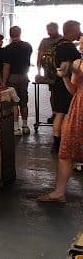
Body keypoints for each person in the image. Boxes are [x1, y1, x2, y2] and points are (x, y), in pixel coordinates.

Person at [37, 21, 83, 203]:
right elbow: (73, 89)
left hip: (78, 109)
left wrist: (72, 68)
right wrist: (64, 76)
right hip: (78, 108)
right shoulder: (76, 60)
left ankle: (59, 193)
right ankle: (58, 192)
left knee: (67, 152)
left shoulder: (78, 63)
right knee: (66, 152)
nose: (80, 43)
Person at [44, 20, 82, 153]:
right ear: (72, 31)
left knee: (59, 112)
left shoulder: (58, 45)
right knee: (67, 113)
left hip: (57, 82)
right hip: (68, 84)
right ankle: (64, 142)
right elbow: (76, 67)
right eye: (78, 30)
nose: (80, 32)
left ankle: (56, 142)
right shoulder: (69, 48)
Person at [2, 26, 33, 135]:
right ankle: (25, 126)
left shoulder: (7, 49)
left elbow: (6, 67)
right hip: (24, 76)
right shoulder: (27, 46)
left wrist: (4, 82)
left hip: (12, 77)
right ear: (20, 33)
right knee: (24, 102)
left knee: (14, 103)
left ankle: (16, 128)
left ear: (10, 34)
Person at [38, 22, 65, 125]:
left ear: (56, 29)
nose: (49, 32)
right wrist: (39, 72)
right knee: (53, 93)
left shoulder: (63, 40)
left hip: (62, 72)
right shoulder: (45, 41)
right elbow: (40, 56)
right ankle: (55, 113)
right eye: (48, 30)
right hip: (49, 73)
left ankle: (62, 113)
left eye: (51, 30)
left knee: (62, 93)